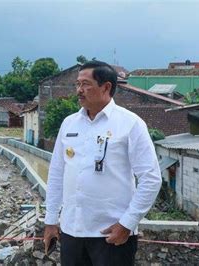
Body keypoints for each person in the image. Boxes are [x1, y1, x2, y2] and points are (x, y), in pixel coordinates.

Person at [43, 60, 162, 265]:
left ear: (106, 87)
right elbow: (56, 174)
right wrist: (51, 220)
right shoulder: (69, 123)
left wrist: (127, 224)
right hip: (72, 231)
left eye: (86, 84)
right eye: (77, 84)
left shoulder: (130, 123)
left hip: (111, 234)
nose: (79, 90)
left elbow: (151, 178)